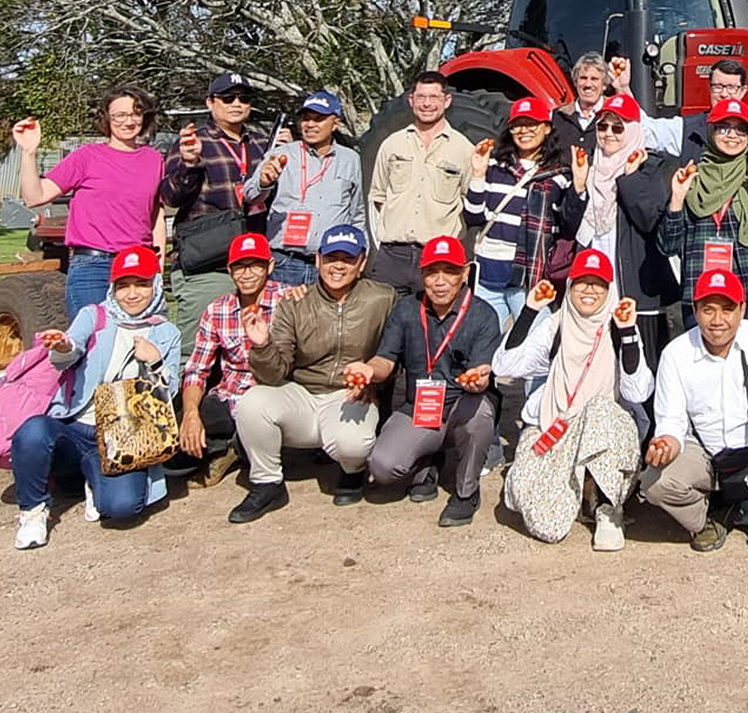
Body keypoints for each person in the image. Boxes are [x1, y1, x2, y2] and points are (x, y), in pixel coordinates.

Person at [10, 245, 182, 549]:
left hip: (124, 436)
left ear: (154, 285)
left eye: (141, 284)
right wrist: (63, 347)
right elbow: (71, 349)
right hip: (76, 423)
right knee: (32, 432)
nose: (131, 294)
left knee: (123, 509)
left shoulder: (166, 332)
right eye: (123, 286)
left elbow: (170, 395)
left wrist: (155, 362)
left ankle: (93, 479)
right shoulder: (95, 315)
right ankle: (33, 511)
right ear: (112, 289)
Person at [641, 269, 748, 571]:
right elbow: (671, 422)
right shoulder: (675, 354)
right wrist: (665, 444)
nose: (718, 320)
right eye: (708, 309)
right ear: (695, 311)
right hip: (707, 453)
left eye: (728, 309)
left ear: (742, 309)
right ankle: (707, 518)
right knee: (654, 481)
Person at [227, 224, 398, 523]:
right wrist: (263, 345)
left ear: (361, 263)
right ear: (318, 260)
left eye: (347, 259)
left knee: (353, 444)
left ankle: (352, 471)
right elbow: (273, 374)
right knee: (252, 402)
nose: (338, 266)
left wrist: (373, 379)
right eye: (331, 258)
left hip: (349, 395)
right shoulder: (296, 302)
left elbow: (393, 351)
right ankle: (267, 483)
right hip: (303, 394)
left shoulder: (384, 298)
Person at [496, 249, 652, 550]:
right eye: (582, 282)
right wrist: (529, 310)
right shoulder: (555, 324)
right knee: (541, 518)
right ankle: (580, 497)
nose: (590, 290)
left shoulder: (617, 325)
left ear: (609, 289)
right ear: (570, 286)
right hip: (556, 424)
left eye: (598, 283)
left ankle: (607, 507)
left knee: (600, 410)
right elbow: (506, 366)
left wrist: (629, 333)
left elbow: (638, 391)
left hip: (604, 432)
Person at [364, 236, 502, 527]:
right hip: (420, 406)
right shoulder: (405, 310)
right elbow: (385, 360)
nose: (440, 281)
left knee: (480, 415)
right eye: (432, 272)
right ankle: (427, 462)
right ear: (421, 275)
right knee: (383, 467)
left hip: (462, 405)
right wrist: (369, 370)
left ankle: (466, 493)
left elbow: (482, 372)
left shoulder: (483, 315)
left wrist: (477, 380)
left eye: (449, 272)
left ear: (464, 273)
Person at [12, 87, 167, 320]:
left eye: (136, 113)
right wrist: (29, 152)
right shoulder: (87, 157)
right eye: (120, 115)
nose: (128, 121)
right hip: (93, 267)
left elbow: (156, 215)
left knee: (141, 343)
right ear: (106, 118)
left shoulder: (154, 160)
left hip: (138, 264)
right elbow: (35, 196)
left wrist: (159, 263)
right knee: (94, 341)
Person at [658, 97, 748, 327]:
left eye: (740, 130)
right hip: (702, 294)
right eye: (724, 127)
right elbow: (668, 247)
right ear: (711, 132)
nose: (732, 135)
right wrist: (676, 200)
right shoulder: (691, 178)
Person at [160, 72, 273, 350]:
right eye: (227, 98)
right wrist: (189, 162)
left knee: (252, 346)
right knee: (196, 349)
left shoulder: (262, 144)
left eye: (244, 98)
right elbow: (171, 198)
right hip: (209, 263)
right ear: (210, 102)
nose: (236, 103)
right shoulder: (193, 141)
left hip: (255, 262)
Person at [171, 233, 284, 487]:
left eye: (255, 265)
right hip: (230, 397)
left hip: (272, 396)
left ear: (270, 265)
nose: (247, 274)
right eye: (239, 267)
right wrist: (190, 415)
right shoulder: (217, 310)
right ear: (229, 270)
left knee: (260, 430)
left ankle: (238, 448)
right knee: (173, 444)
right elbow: (196, 370)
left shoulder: (290, 300)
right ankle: (226, 447)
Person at [571, 93, 679, 355]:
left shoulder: (651, 165)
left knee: (643, 370)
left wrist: (630, 180)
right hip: (598, 291)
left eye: (618, 127)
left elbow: (650, 220)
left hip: (639, 295)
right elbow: (570, 225)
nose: (609, 134)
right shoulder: (590, 164)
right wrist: (578, 186)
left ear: (632, 130)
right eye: (603, 126)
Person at [465, 96, 586, 325]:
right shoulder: (494, 165)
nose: (524, 130)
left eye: (532, 124)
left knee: (533, 342)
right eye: (518, 124)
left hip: (529, 276)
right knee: (487, 343)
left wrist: (579, 187)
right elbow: (473, 216)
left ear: (547, 128)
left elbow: (568, 225)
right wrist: (478, 174)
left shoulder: (558, 174)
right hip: (488, 273)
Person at [243, 91, 365, 287]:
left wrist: (358, 256)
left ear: (336, 123)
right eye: (305, 118)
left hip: (330, 263)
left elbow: (357, 213)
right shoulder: (280, 154)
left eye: (318, 119)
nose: (310, 124)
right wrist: (264, 182)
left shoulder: (350, 159)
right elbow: (250, 195)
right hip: (285, 262)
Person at [367, 71, 473, 293]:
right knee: (384, 324)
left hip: (438, 259)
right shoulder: (392, 144)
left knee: (432, 326)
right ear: (411, 100)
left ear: (447, 100)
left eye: (433, 97)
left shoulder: (463, 149)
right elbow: (377, 196)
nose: (426, 104)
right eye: (421, 97)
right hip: (392, 257)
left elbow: (470, 202)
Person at [551, 51, 614, 155]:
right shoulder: (558, 116)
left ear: (604, 85)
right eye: (583, 78)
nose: (588, 84)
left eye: (594, 79)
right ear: (575, 82)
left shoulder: (616, 115)